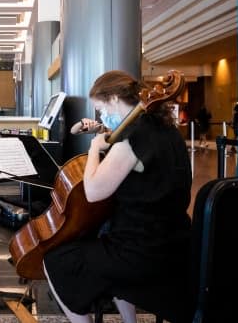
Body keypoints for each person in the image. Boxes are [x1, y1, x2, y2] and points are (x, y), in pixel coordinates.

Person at [43, 70, 192, 323]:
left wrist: (93, 149)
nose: (101, 116)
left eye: (100, 109)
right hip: (176, 243)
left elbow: (92, 191)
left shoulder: (131, 138)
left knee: (56, 261)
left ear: (113, 98)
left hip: (142, 253)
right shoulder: (165, 129)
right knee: (106, 236)